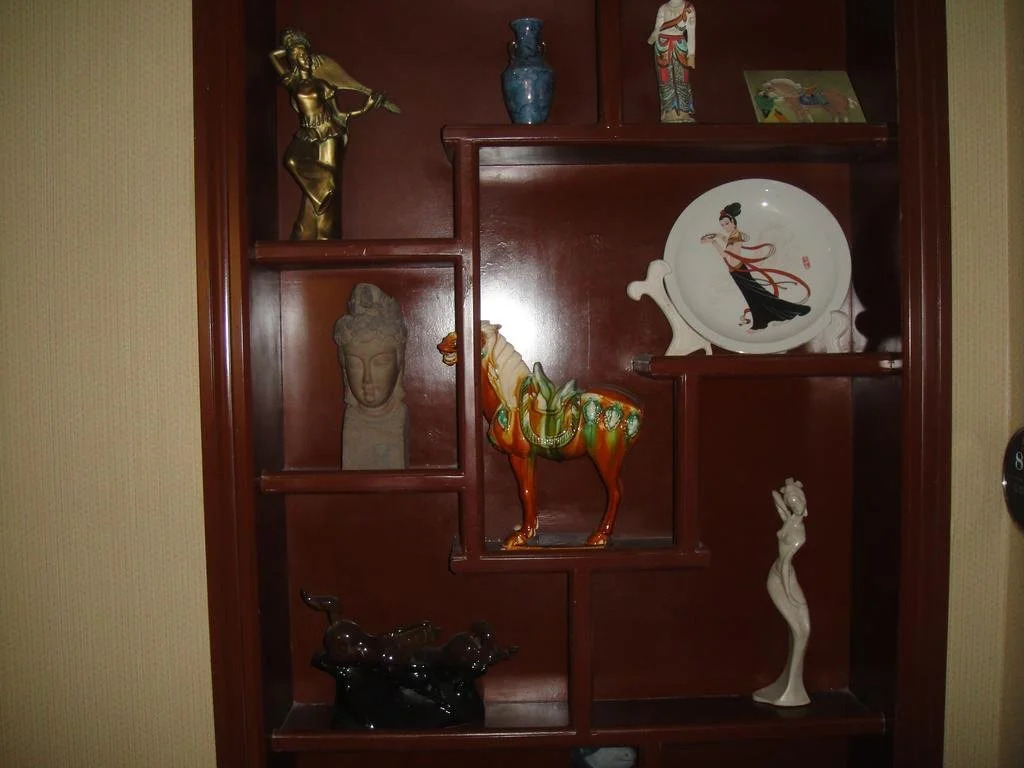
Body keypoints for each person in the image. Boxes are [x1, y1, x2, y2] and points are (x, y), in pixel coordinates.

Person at [270, 29, 399, 240]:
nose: (305, 58)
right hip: (307, 132)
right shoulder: (293, 83)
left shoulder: (322, 84)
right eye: (299, 55)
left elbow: (339, 115)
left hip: (329, 131)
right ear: (292, 60)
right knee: (293, 160)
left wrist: (365, 107)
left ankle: (324, 234)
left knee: (325, 186)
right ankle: (326, 184)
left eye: (306, 54)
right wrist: (291, 45)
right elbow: (273, 57)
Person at [700, 202, 811, 330]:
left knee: (756, 296)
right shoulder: (733, 234)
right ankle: (764, 320)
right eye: (722, 225)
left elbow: (727, 254)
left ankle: (785, 313)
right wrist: (719, 236)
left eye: (726, 223)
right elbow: (729, 244)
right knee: (755, 296)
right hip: (736, 270)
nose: (725, 227)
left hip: (738, 270)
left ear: (733, 222)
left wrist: (714, 243)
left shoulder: (735, 234)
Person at [333, 283, 408, 469]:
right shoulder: (352, 423)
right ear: (344, 368)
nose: (367, 379)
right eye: (355, 364)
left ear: (399, 364)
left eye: (380, 363)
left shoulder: (398, 419)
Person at [753, 478, 811, 707]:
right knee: (799, 629)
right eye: (791, 501)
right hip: (778, 578)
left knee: (803, 629)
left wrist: (792, 594)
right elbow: (775, 498)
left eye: (798, 500)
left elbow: (788, 565)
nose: (794, 504)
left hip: (786, 576)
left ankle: (793, 686)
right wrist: (787, 492)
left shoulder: (798, 534)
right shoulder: (790, 521)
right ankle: (791, 689)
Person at [647, 0, 696, 122]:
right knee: (665, 79)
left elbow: (691, 32)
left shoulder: (689, 8)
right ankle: (669, 111)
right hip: (662, 46)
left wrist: (691, 55)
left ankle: (684, 111)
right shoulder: (663, 8)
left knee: (682, 79)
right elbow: (657, 29)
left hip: (680, 45)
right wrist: (652, 38)